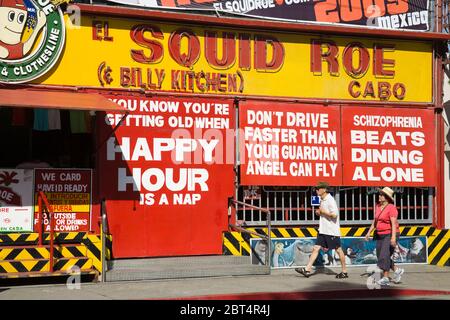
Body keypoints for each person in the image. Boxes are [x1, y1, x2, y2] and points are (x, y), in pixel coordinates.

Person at [295, 182, 348, 279]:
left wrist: (322, 212)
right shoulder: (323, 200)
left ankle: (344, 271)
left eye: (318, 189)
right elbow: (326, 214)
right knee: (316, 248)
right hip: (323, 229)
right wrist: (319, 213)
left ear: (324, 189)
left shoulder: (330, 200)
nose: (316, 190)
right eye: (316, 189)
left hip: (331, 231)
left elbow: (335, 214)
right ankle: (307, 270)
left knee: (338, 250)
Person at [365, 187, 404, 286]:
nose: (380, 196)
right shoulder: (377, 206)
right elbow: (375, 221)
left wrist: (393, 238)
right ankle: (397, 270)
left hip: (390, 234)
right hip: (379, 234)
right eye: (380, 194)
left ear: (387, 198)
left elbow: (394, 223)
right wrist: (369, 232)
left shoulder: (391, 208)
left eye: (382, 195)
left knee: (384, 255)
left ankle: (385, 278)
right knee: (380, 255)